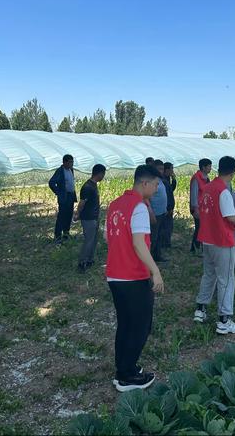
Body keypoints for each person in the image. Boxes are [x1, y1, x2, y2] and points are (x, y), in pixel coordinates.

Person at [105, 164, 165, 392]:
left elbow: (108, 237)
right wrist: (155, 271)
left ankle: (125, 367)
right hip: (132, 276)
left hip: (115, 275)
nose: (158, 189)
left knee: (126, 324)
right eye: (156, 184)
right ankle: (126, 376)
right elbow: (139, 244)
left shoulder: (115, 205)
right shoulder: (138, 207)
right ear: (144, 183)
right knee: (140, 326)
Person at [194, 156, 235, 335]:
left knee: (209, 274)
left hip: (207, 239)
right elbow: (230, 217)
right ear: (233, 172)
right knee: (226, 279)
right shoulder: (223, 191)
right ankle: (224, 320)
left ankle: (200, 309)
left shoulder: (207, 188)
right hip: (222, 240)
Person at [74, 164, 106, 273]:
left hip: (94, 217)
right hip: (88, 218)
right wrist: (77, 214)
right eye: (103, 174)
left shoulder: (93, 185)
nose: (103, 177)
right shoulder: (87, 187)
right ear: (100, 173)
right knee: (89, 240)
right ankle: (82, 262)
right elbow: (82, 203)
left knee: (94, 240)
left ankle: (89, 260)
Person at [49, 154, 77, 244]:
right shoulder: (60, 171)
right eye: (70, 162)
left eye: (72, 162)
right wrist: (58, 192)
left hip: (71, 196)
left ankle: (66, 234)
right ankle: (57, 236)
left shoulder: (71, 170)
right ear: (64, 162)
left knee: (69, 215)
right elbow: (51, 182)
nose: (71, 164)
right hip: (64, 197)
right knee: (62, 216)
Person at [190, 158, 212, 254]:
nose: (210, 168)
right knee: (199, 227)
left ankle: (197, 246)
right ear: (203, 167)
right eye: (209, 166)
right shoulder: (196, 178)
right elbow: (194, 194)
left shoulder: (206, 178)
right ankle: (195, 247)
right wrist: (195, 208)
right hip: (198, 208)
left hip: (204, 207)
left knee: (202, 227)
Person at [149, 159, 168, 262]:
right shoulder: (151, 180)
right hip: (154, 213)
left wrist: (165, 209)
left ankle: (157, 255)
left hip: (161, 212)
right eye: (159, 169)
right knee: (153, 237)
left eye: (162, 169)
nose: (161, 171)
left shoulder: (160, 180)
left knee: (159, 235)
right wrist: (150, 210)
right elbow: (147, 197)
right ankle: (149, 258)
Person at [162, 162, 177, 248]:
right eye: (172, 168)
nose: (172, 170)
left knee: (168, 226)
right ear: (167, 169)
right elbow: (167, 194)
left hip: (168, 206)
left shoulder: (167, 178)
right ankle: (165, 244)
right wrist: (169, 207)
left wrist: (174, 179)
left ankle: (167, 243)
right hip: (167, 207)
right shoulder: (163, 180)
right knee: (167, 226)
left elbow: (171, 189)